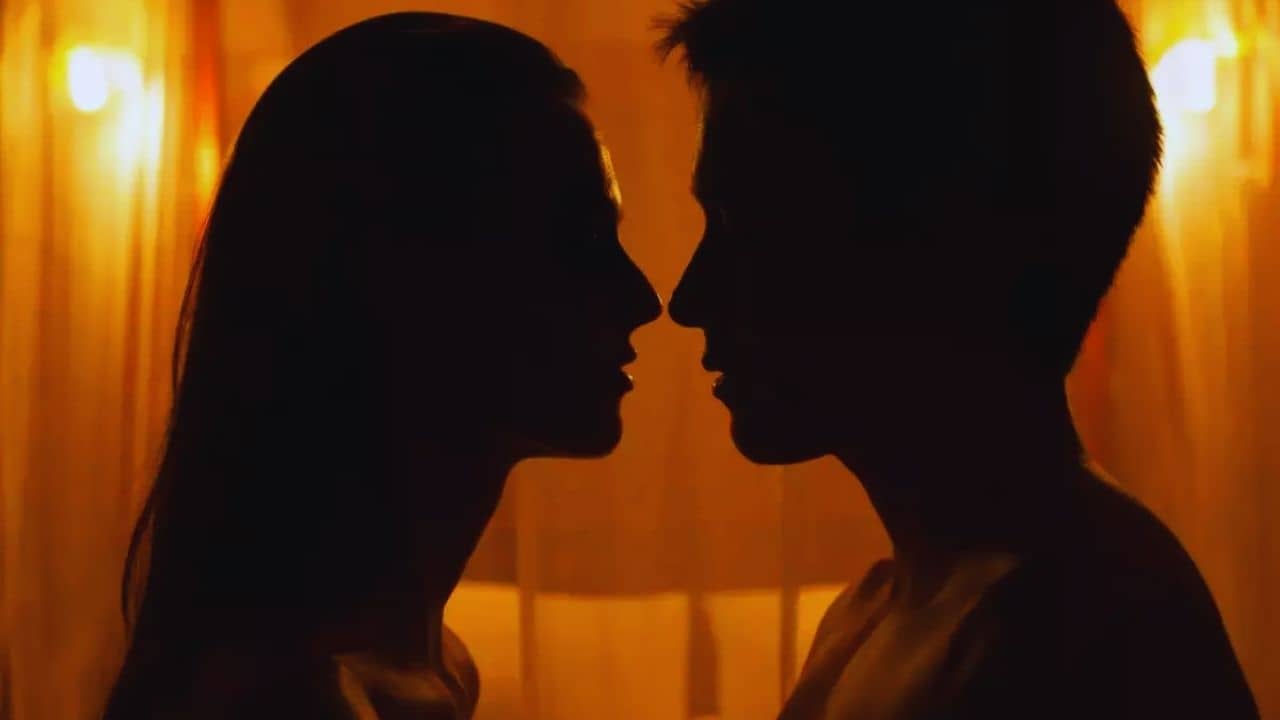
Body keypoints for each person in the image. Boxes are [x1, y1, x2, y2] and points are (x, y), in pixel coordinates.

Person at [660, 1, 1259, 717]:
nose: (689, 299)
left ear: (934, 244)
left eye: (748, 225)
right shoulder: (877, 612)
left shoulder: (1083, 635)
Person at [102, 12, 659, 719]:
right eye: (578, 241)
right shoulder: (289, 698)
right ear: (411, 274)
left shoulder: (433, 667)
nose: (641, 298)